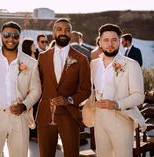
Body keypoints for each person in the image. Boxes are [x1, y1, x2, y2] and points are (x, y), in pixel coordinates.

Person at [0, 21, 42, 157]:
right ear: (1, 36)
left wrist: (24, 105)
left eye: (15, 36)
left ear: (19, 38)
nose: (11, 39)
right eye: (7, 35)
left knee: (20, 154)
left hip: (19, 116)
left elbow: (36, 90)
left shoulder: (30, 63)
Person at [37, 18, 91, 157]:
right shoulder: (42, 57)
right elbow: (39, 85)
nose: (63, 32)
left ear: (71, 33)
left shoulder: (81, 59)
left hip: (69, 115)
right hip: (45, 114)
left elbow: (86, 90)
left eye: (67, 30)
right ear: (53, 33)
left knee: (72, 154)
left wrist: (69, 100)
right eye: (59, 29)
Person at [91, 23, 146, 157]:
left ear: (120, 42)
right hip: (99, 119)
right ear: (100, 43)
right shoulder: (94, 64)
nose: (110, 44)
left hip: (121, 119)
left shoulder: (131, 65)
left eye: (114, 40)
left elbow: (139, 96)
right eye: (106, 40)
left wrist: (117, 104)